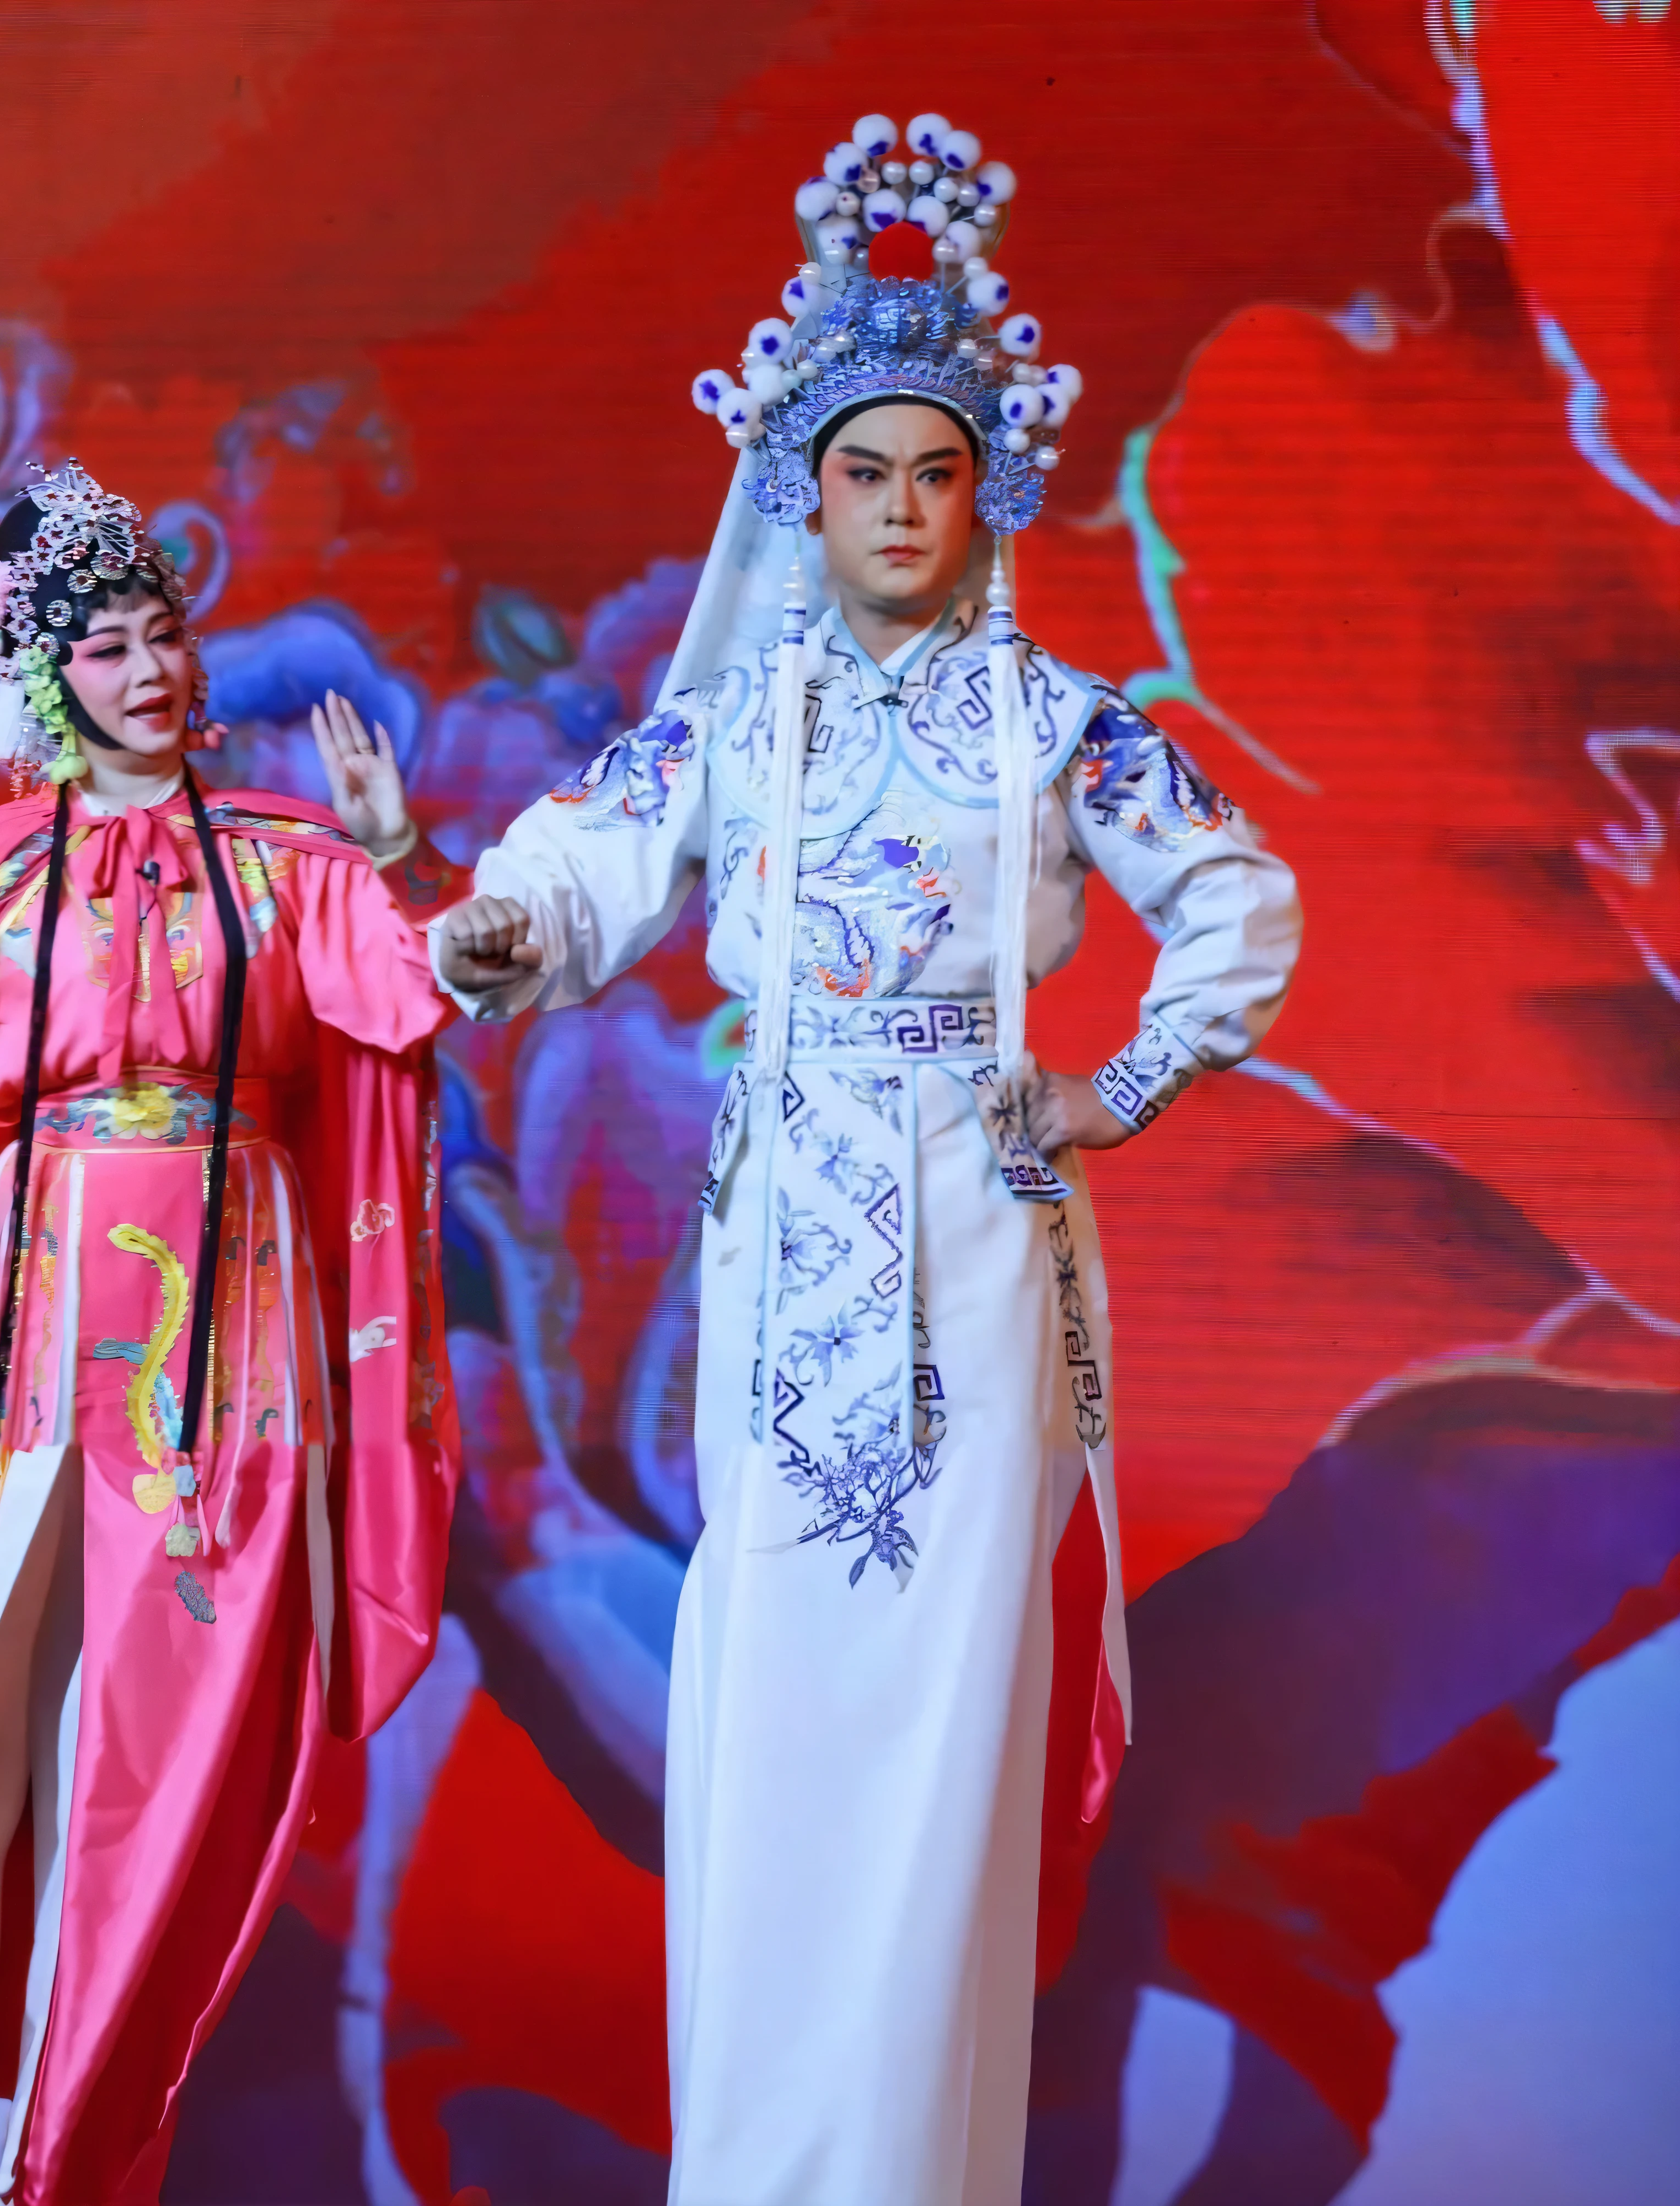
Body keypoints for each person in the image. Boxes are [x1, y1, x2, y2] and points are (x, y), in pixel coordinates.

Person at [433, 110, 1302, 2205]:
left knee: (937, 1745)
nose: (900, 511)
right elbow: (586, 855)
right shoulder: (741, 724)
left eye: (935, 474)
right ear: (800, 498)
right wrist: (500, 924)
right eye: (859, 475)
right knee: (776, 1712)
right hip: (776, 1234)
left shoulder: (1064, 719)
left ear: (984, 493)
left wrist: (1122, 1087)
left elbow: (1243, 900)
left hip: (977, 1250)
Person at [0, 461, 473, 2205]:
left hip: (231, 1339)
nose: (149, 668)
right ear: (50, 682)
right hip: (43, 1318)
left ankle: (71, 2146)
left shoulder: (292, 867)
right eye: (103, 646)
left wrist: (397, 853)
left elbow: (422, 992)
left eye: (164, 632)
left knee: (157, 1759)